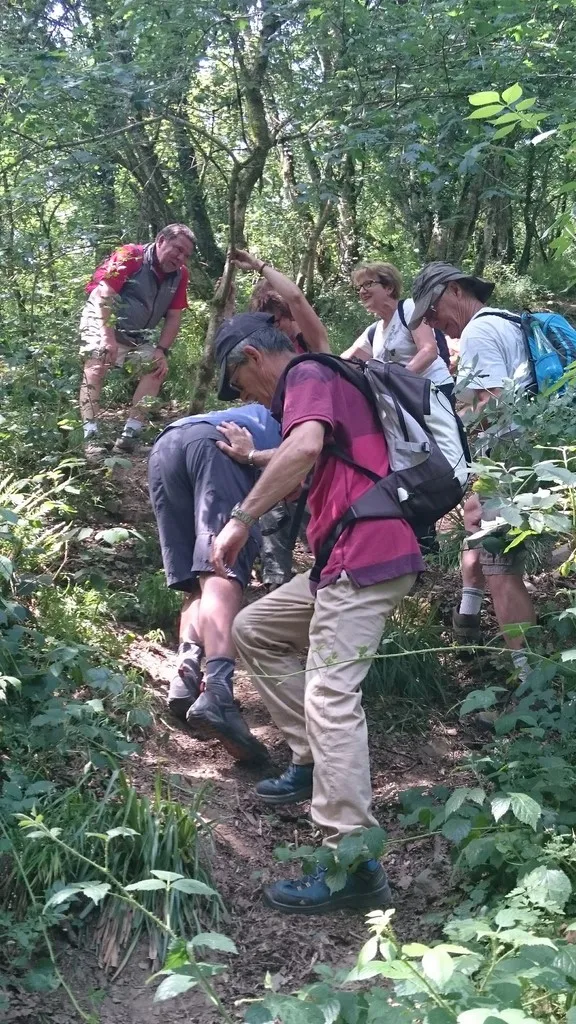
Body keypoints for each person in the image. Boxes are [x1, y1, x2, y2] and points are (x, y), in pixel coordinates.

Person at [210, 313, 424, 914]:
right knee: (255, 628)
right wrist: (255, 456)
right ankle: (309, 760)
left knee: (331, 697)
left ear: (254, 356)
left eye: (241, 383)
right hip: (344, 559)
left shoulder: (306, 373)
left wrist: (240, 520)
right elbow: (307, 452)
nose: (252, 399)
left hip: (365, 553)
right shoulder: (324, 387)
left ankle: (351, 862)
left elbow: (305, 448)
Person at [409, 261, 537, 683]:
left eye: (432, 310)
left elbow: (494, 403)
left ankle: (529, 684)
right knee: (474, 520)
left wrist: (445, 423)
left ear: (456, 290)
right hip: (526, 454)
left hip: (509, 462)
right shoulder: (508, 322)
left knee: (502, 570)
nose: (432, 322)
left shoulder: (479, 332)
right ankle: (467, 621)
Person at [147, 382, 282, 763]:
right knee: (223, 565)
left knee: (198, 579)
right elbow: (297, 471)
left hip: (167, 445)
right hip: (218, 449)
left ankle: (186, 674)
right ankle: (218, 691)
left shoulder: (265, 408)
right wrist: (253, 457)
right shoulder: (309, 417)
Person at [233, 248, 330, 589]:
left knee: (321, 524)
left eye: (279, 320)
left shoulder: (313, 350)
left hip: (316, 455)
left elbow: (297, 299)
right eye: (268, 322)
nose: (277, 328)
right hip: (282, 447)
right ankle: (276, 584)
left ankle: (328, 576)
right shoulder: (262, 359)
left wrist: (260, 265)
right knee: (274, 512)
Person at [79, 224, 195, 455]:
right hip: (102, 318)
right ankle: (91, 437)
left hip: (139, 333)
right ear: (161, 241)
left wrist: (161, 350)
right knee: (96, 365)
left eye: (186, 254)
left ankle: (129, 437)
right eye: (178, 249)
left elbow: (174, 316)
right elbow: (105, 294)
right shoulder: (130, 255)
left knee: (156, 368)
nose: (181, 257)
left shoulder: (180, 275)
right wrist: (107, 337)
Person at [341, 261, 454, 400]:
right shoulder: (373, 332)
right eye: (359, 287)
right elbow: (345, 362)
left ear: (389, 287)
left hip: (434, 390)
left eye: (368, 284)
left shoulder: (409, 308)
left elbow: (429, 351)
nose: (362, 291)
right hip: (405, 399)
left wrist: (397, 381)